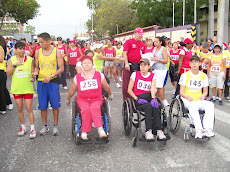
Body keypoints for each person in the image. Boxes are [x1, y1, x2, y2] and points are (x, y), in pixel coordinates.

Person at [66, 55, 113, 140]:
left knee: (94, 107)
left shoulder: (99, 75)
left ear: (92, 64)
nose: (87, 64)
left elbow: (106, 86)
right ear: (82, 65)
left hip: (96, 99)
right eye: (84, 63)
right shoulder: (78, 77)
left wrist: (110, 94)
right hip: (82, 99)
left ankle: (100, 129)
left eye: (89, 63)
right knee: (86, 109)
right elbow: (73, 90)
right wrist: (68, 98)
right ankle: (84, 132)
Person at [127, 58, 166, 140]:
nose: (143, 67)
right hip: (138, 98)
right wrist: (136, 98)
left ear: (148, 66)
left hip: (148, 97)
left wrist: (153, 98)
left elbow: (152, 88)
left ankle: (158, 130)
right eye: (141, 65)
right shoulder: (135, 74)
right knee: (148, 106)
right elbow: (129, 90)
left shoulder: (152, 76)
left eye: (145, 65)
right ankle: (148, 131)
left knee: (156, 106)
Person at [34, 32, 64, 136]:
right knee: (42, 106)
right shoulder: (38, 52)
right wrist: (35, 72)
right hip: (41, 82)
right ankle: (45, 126)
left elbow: (61, 68)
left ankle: (55, 126)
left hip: (53, 82)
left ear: (48, 41)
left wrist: (50, 75)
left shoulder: (56, 52)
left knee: (55, 105)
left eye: (42, 42)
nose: (40, 44)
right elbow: (36, 66)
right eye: (39, 42)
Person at [179, 55, 215, 139]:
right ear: (190, 64)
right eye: (192, 62)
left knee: (210, 105)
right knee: (193, 106)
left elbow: (205, 91)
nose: (194, 64)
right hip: (187, 99)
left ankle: (207, 129)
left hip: (199, 99)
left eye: (196, 62)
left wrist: (203, 95)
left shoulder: (203, 76)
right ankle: (199, 130)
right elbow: (181, 92)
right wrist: (187, 96)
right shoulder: (185, 75)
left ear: (199, 63)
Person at [6, 42, 36, 138]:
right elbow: (8, 73)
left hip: (27, 88)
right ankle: (22, 127)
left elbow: (33, 73)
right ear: (16, 49)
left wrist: (33, 77)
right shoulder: (12, 59)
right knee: (19, 109)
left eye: (23, 49)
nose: (22, 51)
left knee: (29, 108)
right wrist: (15, 65)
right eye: (20, 49)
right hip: (17, 88)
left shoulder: (30, 59)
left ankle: (32, 128)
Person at [123, 27, 145, 100]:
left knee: (137, 82)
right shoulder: (129, 42)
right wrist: (126, 63)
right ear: (134, 33)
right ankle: (126, 99)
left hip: (138, 65)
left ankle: (136, 98)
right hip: (129, 64)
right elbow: (125, 53)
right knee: (126, 83)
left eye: (141, 35)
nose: (140, 36)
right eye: (139, 35)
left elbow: (143, 54)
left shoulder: (142, 43)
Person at [151, 37, 169, 106]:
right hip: (154, 69)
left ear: (161, 42)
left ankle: (162, 100)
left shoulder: (163, 49)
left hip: (161, 70)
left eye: (156, 42)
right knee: (155, 86)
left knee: (159, 86)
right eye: (154, 42)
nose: (155, 43)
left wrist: (157, 59)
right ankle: (157, 100)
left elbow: (166, 61)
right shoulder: (154, 49)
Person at [0, 35, 13, 114]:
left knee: (1, 89)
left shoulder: (0, 47)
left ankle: (3, 107)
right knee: (3, 88)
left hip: (1, 70)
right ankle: (8, 103)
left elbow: (1, 59)